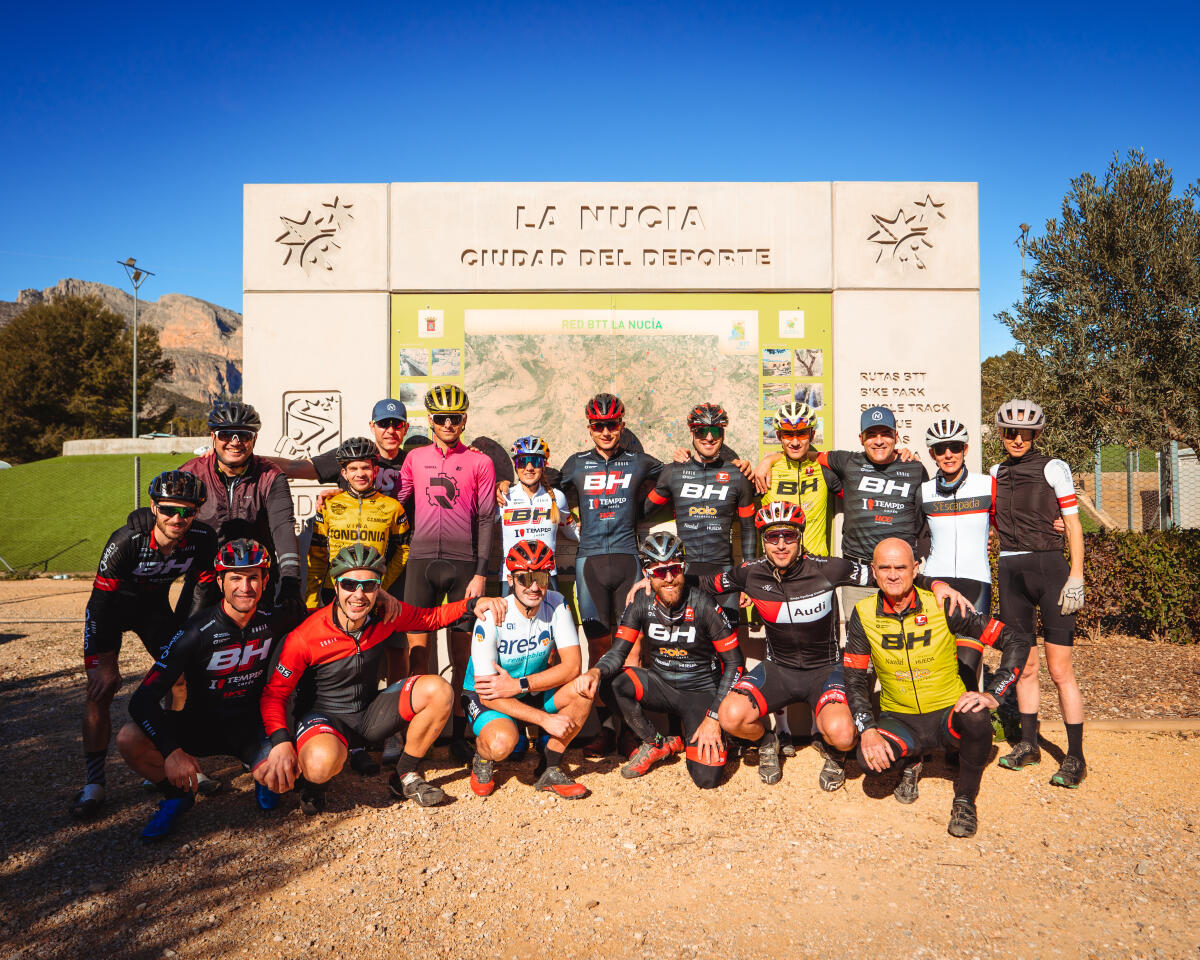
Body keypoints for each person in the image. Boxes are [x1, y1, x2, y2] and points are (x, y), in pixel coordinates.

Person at [706, 502, 967, 790]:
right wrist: (650, 583)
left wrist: (934, 584)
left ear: (800, 537)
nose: (781, 545)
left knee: (844, 735)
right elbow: (706, 584)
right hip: (778, 669)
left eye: (789, 536)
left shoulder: (828, 568)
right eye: (772, 537)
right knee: (731, 716)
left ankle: (834, 752)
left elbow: (888, 575)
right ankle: (769, 740)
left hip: (825, 669)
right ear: (763, 540)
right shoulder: (748, 572)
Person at [256, 544, 504, 811]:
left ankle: (404, 775)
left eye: (370, 585)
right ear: (336, 586)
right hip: (325, 720)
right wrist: (281, 743)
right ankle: (316, 787)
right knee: (319, 765)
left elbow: (431, 618)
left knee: (439, 690)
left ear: (379, 588)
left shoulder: (386, 615)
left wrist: (473, 603)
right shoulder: (306, 635)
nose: (358, 594)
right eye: (350, 584)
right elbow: (275, 695)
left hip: (369, 716)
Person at [845, 537, 1030, 838]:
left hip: (947, 715)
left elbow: (1015, 640)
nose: (893, 575)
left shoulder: (943, 604)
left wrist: (993, 693)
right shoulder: (863, 613)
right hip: (900, 718)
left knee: (976, 716)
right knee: (869, 762)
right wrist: (866, 730)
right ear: (873, 570)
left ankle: (965, 799)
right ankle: (911, 759)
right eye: (885, 567)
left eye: (901, 567)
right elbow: (853, 678)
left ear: (915, 569)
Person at [72, 470, 218, 820]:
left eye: (187, 511)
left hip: (152, 609)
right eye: (168, 509)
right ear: (154, 507)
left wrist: (187, 634)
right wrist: (105, 661)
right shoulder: (126, 540)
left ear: (198, 511)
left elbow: (200, 588)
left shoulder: (202, 537)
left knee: (181, 678)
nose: (177, 518)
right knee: (102, 687)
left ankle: (167, 759)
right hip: (111, 609)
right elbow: (102, 601)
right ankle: (94, 783)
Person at [117, 539, 281, 841]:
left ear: (265, 580)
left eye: (253, 577)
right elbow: (142, 700)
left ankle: (262, 772)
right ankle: (176, 796)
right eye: (235, 577)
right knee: (129, 738)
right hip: (200, 725)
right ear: (220, 581)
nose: (245, 587)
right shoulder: (195, 631)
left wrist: (384, 601)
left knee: (282, 779)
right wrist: (172, 752)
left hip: (252, 727)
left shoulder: (277, 619)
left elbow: (333, 616)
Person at [579, 533, 744, 789]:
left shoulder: (703, 604)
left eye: (675, 569)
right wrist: (595, 672)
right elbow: (618, 652)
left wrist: (713, 717)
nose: (668, 578)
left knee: (706, 779)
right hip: (660, 685)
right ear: (647, 573)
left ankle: (721, 736)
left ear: (684, 567)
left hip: (699, 693)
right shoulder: (641, 601)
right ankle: (655, 743)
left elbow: (735, 663)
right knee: (608, 680)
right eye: (659, 571)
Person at [558, 392, 663, 755]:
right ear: (589, 428)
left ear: (621, 425)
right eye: (599, 426)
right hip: (589, 564)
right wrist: (507, 486)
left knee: (633, 651)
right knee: (598, 650)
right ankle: (604, 728)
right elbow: (542, 489)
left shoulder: (639, 462)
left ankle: (631, 731)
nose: (606, 431)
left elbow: (678, 479)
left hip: (628, 562)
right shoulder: (575, 464)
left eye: (612, 425)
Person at [397, 384, 498, 763]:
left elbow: (487, 517)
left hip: (462, 566)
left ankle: (457, 731)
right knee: (418, 656)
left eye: (455, 418)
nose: (448, 424)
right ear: (430, 421)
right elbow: (398, 505)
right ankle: (418, 731)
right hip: (421, 562)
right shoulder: (415, 458)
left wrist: (480, 572)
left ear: (464, 420)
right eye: (441, 418)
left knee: (462, 656)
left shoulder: (480, 462)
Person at [990, 399, 1088, 787]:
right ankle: (1028, 745)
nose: (1017, 438)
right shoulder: (996, 471)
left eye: (1025, 432)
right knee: (1025, 667)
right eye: (1010, 432)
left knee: (1060, 669)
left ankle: (1076, 757)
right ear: (1000, 433)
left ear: (1036, 434)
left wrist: (1076, 574)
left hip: (1050, 570)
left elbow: (1074, 524)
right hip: (1011, 571)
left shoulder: (1053, 466)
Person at [464, 541, 594, 798]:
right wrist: (546, 720)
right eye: (525, 578)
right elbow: (489, 693)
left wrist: (519, 684)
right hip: (489, 697)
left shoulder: (556, 603)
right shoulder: (492, 615)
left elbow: (573, 666)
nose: (534, 587)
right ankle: (482, 755)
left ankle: (550, 768)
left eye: (542, 577)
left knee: (585, 688)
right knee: (502, 744)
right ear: (510, 579)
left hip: (525, 687)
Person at [172, 401, 304, 625]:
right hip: (206, 575)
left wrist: (291, 582)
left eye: (244, 435)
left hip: (254, 576)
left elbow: (283, 528)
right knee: (182, 641)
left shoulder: (271, 476)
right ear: (213, 437)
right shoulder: (191, 473)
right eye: (226, 434)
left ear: (254, 439)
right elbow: (168, 521)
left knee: (261, 645)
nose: (235, 442)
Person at [643, 403, 757, 623]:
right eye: (701, 431)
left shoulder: (737, 475)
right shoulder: (673, 473)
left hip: (723, 572)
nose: (709, 438)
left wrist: (748, 580)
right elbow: (642, 511)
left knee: (728, 647)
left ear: (723, 433)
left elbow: (748, 530)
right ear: (691, 433)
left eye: (715, 431)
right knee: (689, 645)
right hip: (685, 573)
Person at [305, 436, 409, 610]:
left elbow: (404, 550)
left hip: (371, 589)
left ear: (375, 470)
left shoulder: (393, 507)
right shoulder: (328, 505)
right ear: (344, 473)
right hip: (335, 589)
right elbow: (317, 555)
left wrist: (382, 583)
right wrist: (311, 600)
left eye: (365, 467)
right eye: (353, 468)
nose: (360, 474)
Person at [266, 397, 411, 499]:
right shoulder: (350, 455)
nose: (391, 431)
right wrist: (249, 461)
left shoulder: (414, 462)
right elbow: (293, 467)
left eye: (398, 425)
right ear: (372, 427)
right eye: (384, 424)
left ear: (406, 429)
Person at [758, 401, 842, 557]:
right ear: (779, 436)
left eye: (802, 434)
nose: (795, 442)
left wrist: (894, 458)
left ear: (812, 435)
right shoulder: (766, 472)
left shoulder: (824, 471)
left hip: (816, 565)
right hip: (778, 564)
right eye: (788, 435)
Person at [497, 436, 578, 596]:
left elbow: (573, 532)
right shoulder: (504, 496)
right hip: (511, 577)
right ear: (515, 466)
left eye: (535, 462)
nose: (529, 468)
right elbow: (480, 526)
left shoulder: (557, 497)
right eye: (522, 462)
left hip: (547, 576)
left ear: (544, 465)